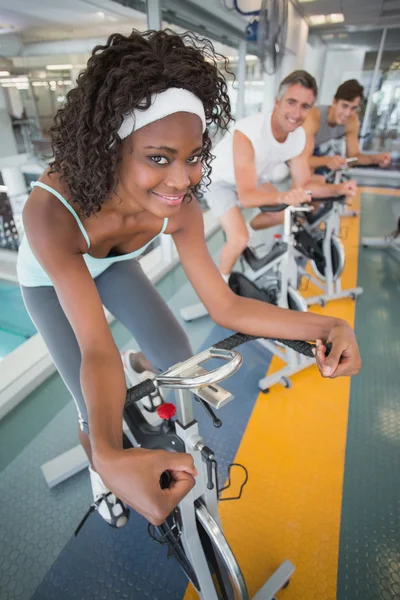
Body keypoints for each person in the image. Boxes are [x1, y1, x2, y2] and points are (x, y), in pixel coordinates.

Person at [17, 30, 361, 528]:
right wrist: (111, 459)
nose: (182, 180)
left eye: (193, 157)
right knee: (93, 403)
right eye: (159, 158)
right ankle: (99, 468)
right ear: (112, 148)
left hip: (113, 261)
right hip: (49, 278)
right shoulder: (50, 212)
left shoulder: (179, 208)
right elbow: (95, 348)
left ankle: (138, 369)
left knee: (178, 356)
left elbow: (225, 306)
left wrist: (325, 326)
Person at [205, 70, 357, 280]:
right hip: (218, 179)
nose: (297, 113)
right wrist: (284, 196)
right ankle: (220, 288)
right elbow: (247, 196)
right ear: (277, 102)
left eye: (305, 106)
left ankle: (247, 229)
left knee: (281, 213)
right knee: (238, 240)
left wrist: (338, 189)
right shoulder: (249, 132)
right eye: (291, 102)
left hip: (253, 175)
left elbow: (303, 184)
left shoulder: (297, 138)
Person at [303, 79, 391, 173]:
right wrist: (327, 160)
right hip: (297, 147)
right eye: (345, 106)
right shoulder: (314, 117)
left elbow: (354, 157)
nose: (347, 113)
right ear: (334, 102)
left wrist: (375, 159)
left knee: (321, 180)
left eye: (353, 108)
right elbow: (304, 159)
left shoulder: (352, 120)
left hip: (314, 149)